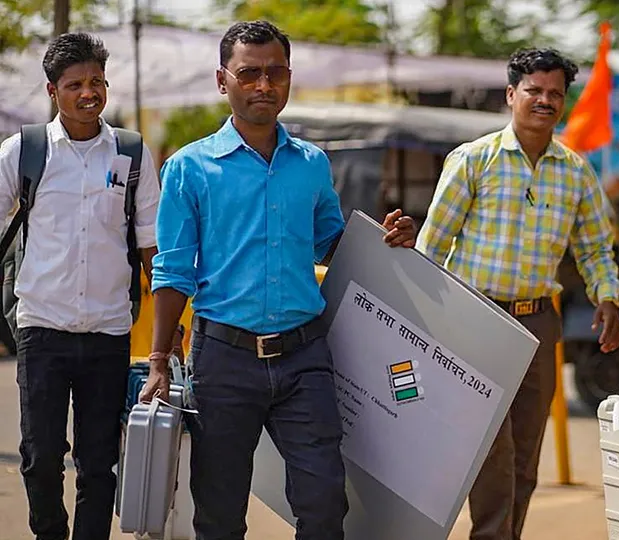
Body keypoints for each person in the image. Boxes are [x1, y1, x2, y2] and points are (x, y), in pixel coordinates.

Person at [139, 20, 416, 540]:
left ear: (289, 78)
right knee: (219, 513)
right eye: (249, 74)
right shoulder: (188, 168)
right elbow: (173, 270)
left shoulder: (311, 164)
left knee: (324, 504)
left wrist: (387, 240)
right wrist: (158, 361)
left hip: (304, 359)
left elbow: (331, 243)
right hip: (224, 360)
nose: (264, 85)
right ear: (223, 81)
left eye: (276, 73)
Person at [416, 47, 619, 540]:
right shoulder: (473, 160)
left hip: (537, 325)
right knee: (493, 452)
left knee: (527, 453)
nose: (545, 101)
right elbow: (432, 246)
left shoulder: (576, 172)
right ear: (512, 95)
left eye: (556, 94)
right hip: (475, 320)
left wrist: (608, 297)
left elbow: (595, 248)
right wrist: (424, 324)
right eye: (534, 90)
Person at [0, 33, 162, 540]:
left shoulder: (132, 154)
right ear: (53, 90)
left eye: (96, 82)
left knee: (98, 464)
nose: (88, 93)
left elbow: (152, 251)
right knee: (40, 457)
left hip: (109, 330)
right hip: (42, 329)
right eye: (75, 85)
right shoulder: (23, 152)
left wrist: (165, 338)